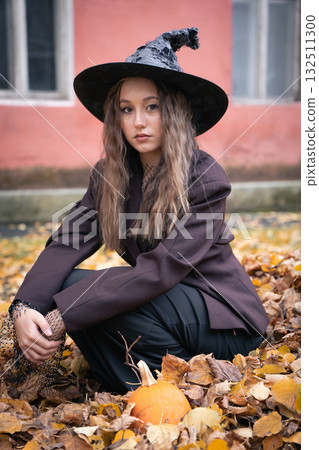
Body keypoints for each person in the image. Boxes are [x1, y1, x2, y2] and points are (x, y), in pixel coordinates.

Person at [8, 28, 269, 394]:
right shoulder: (108, 176)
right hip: (161, 307)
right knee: (67, 286)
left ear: (174, 111)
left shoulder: (205, 177)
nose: (138, 122)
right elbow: (68, 241)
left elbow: (162, 270)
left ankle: (178, 383)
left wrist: (63, 314)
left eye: (152, 107)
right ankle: (138, 382)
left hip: (220, 319)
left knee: (80, 299)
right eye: (126, 110)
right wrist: (24, 308)